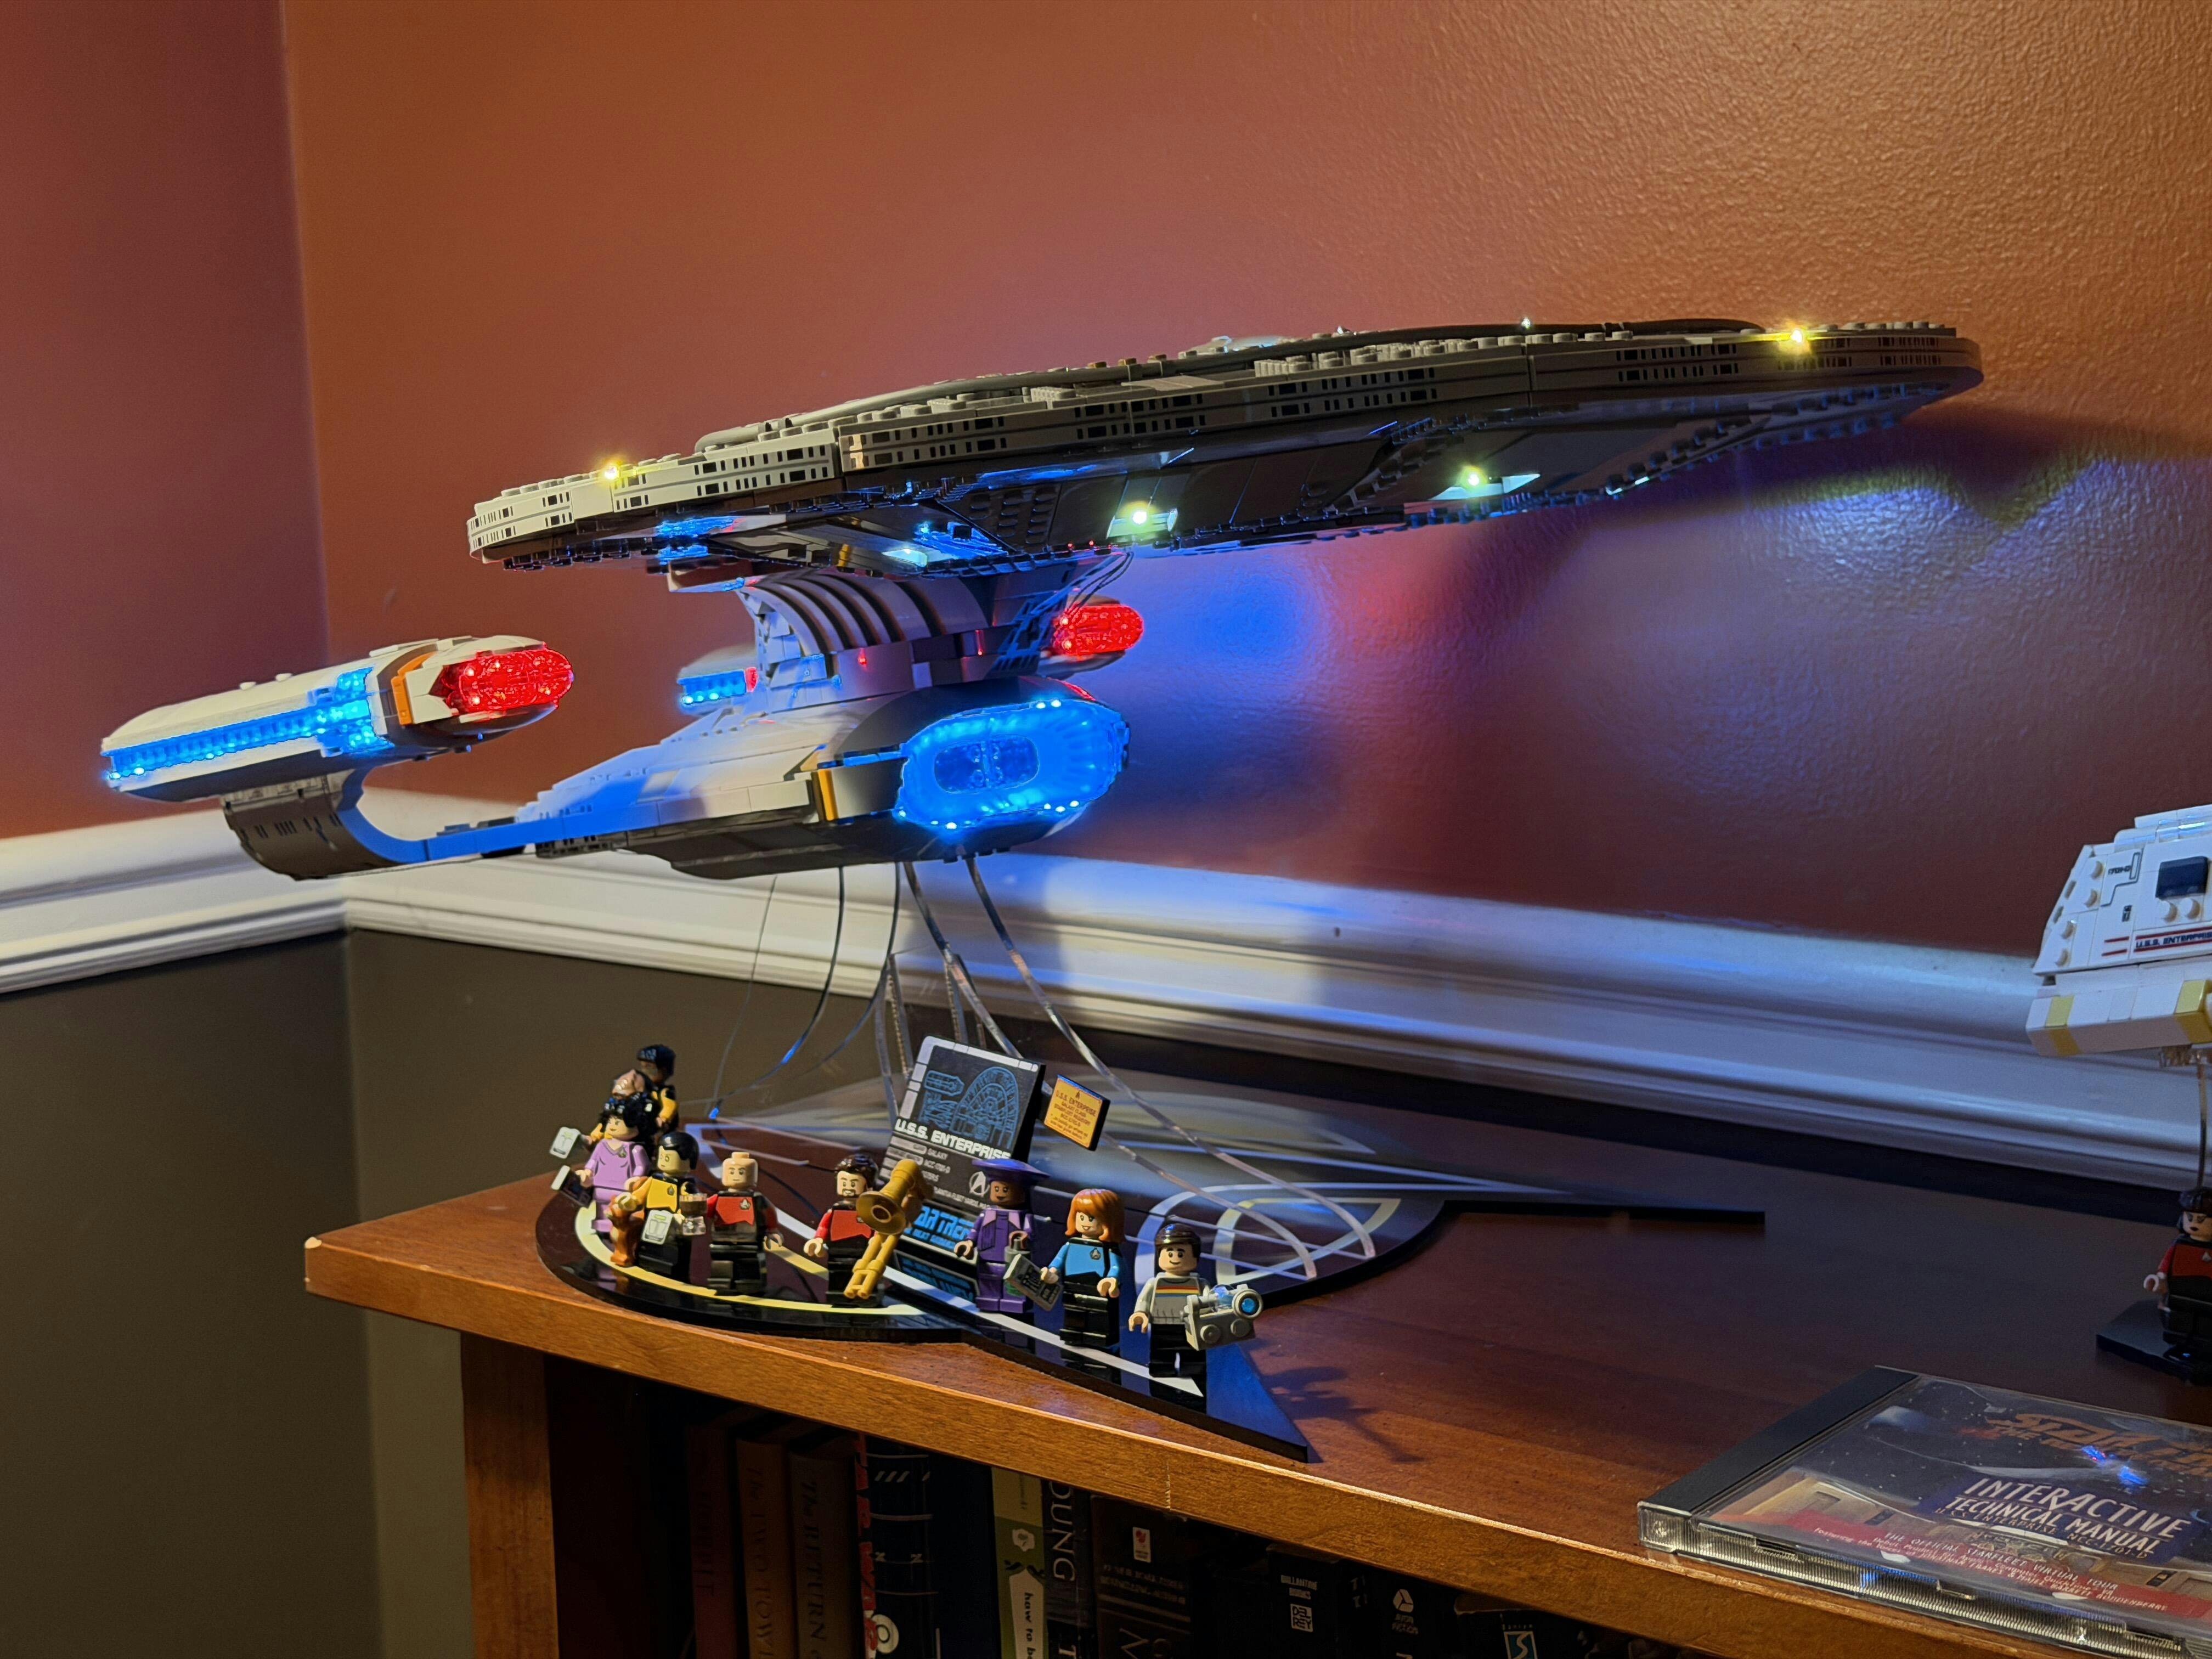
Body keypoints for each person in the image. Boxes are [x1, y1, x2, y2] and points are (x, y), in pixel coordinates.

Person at [952, 1158, 1045, 1317]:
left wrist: (1025, 1236)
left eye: (1006, 1189)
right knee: (989, 1282)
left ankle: (1014, 1303)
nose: (1000, 1193)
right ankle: (989, 1298)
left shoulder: (1024, 1217)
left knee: (1014, 1285)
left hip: (1014, 1262)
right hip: (987, 1259)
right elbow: (974, 1232)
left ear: (1022, 1194)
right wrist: (968, 1243)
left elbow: (1030, 1233)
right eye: (997, 1188)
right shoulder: (986, 1214)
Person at [610, 1128, 703, 1273]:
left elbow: (693, 1213)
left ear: (689, 1160)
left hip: (673, 1234)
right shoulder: (654, 1180)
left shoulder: (687, 1187)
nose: (664, 1161)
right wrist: (629, 1201)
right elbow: (638, 1197)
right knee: (647, 1255)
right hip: (650, 1227)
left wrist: (680, 1219)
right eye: (662, 1156)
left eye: (669, 1158)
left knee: (671, 1262)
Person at [1041, 1187, 1124, 1350]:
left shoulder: (1108, 1249)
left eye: (1091, 1218)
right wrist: (1052, 1272)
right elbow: (1059, 1260)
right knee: (1074, 1312)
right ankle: (1073, 1334)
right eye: (1081, 1217)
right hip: (1073, 1287)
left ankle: (1099, 1337)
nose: (1086, 1222)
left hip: (1099, 1290)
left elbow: (1117, 1266)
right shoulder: (1071, 1244)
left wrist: (1112, 1279)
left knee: (1100, 1315)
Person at [1130, 1222, 1210, 1381]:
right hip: (1162, 1326)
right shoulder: (1155, 1283)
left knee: (1193, 1356)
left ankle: (1193, 1370)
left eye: (1181, 1254)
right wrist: (1140, 1313)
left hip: (1191, 1326)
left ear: (1195, 1258)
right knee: (1161, 1354)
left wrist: (1210, 1310)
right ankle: (1162, 1369)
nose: (1175, 1258)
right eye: (1169, 1253)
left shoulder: (1201, 1284)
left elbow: (1210, 1300)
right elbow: (1144, 1300)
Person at [574, 1092, 657, 1233]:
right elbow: (593, 1161)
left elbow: (642, 1166)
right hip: (601, 1186)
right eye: (610, 1121)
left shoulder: (635, 1149)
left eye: (618, 1122)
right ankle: (601, 1225)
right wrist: (587, 1172)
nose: (612, 1125)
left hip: (623, 1191)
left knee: (621, 1212)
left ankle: (622, 1228)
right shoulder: (602, 1145)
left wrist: (636, 1179)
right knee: (601, 1209)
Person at [2146, 1187, 2212, 1353]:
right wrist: (2160, 1280)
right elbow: (2166, 1266)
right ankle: (2178, 1344)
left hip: (2208, 1298)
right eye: (2190, 1218)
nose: (2195, 1224)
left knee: (2206, 1327)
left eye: (2202, 1219)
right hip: (2179, 1295)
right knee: (2179, 1324)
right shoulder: (2180, 1244)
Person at [704, 1149, 779, 1295]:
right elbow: (704, 1209)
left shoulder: (756, 1199)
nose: (736, 1176)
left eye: (741, 1172)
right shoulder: (718, 1198)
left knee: (749, 1264)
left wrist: (773, 1230)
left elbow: (769, 1212)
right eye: (732, 1172)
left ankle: (750, 1283)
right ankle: (722, 1281)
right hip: (722, 1239)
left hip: (750, 1240)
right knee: (721, 1263)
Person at [805, 1153, 879, 1295]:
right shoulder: (835, 1210)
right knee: (837, 1276)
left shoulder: (870, 1210)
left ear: (869, 1185)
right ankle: (838, 1294)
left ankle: (866, 1295)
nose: (848, 1188)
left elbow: (878, 1227)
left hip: (864, 1254)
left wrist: (876, 1240)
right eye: (844, 1183)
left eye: (853, 1183)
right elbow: (824, 1227)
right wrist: (818, 1240)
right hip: (837, 1252)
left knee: (865, 1277)